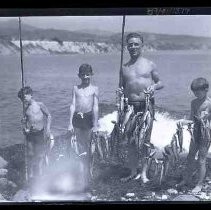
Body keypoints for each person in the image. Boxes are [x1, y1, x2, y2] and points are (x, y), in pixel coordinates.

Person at [121, 32, 164, 183]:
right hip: (130, 108)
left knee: (145, 140)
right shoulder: (124, 67)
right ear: (127, 46)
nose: (133, 47)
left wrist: (153, 87)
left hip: (146, 106)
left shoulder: (150, 64)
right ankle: (133, 171)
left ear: (142, 45)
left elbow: (160, 83)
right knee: (131, 141)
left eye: (136, 44)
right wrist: (119, 96)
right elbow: (121, 87)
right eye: (130, 44)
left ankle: (144, 173)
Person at [176, 77, 211, 193]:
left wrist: (207, 116)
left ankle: (199, 184)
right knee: (190, 156)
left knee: (201, 159)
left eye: (198, 92)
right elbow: (192, 119)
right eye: (194, 92)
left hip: (205, 134)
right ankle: (187, 179)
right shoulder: (194, 102)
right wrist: (183, 122)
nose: (196, 94)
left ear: (206, 90)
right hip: (195, 133)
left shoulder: (209, 104)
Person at [68, 63, 99, 191]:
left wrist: (96, 124)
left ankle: (89, 172)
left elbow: (96, 107)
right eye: (83, 74)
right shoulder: (75, 88)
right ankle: (81, 175)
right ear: (79, 75)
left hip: (89, 119)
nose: (85, 77)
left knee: (90, 148)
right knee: (79, 148)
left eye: (88, 74)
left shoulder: (95, 89)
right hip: (77, 119)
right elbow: (72, 105)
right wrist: (69, 122)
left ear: (91, 74)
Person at [18, 86, 52, 178]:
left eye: (24, 97)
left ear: (31, 95)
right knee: (30, 154)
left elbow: (49, 116)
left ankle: (40, 172)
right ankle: (31, 174)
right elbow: (24, 122)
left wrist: (48, 129)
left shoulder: (40, 105)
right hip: (30, 134)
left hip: (40, 133)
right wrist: (25, 128)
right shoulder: (25, 109)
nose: (23, 100)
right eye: (21, 99)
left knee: (40, 154)